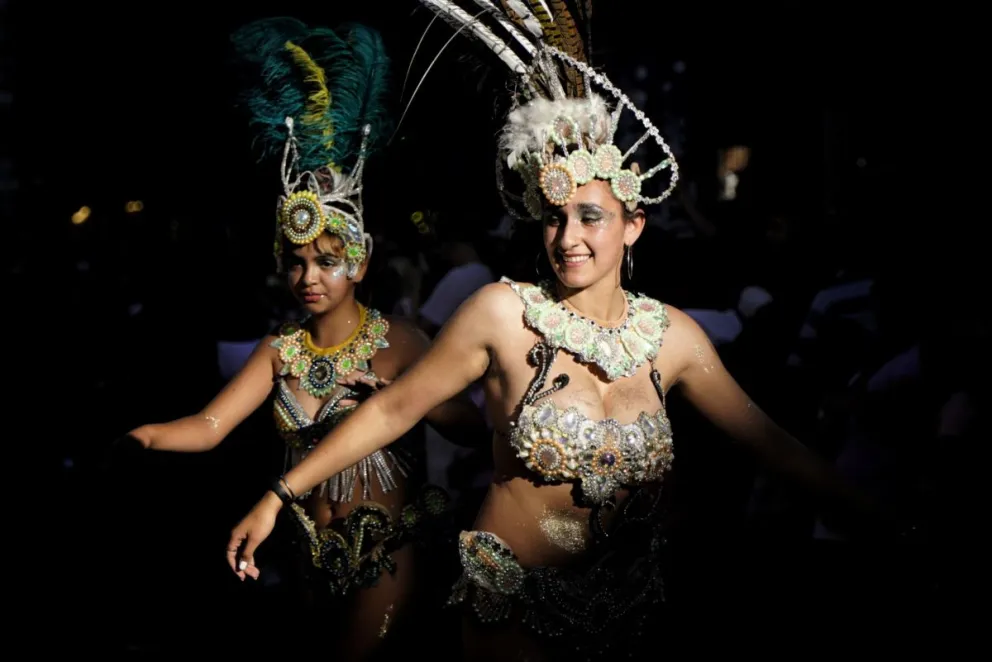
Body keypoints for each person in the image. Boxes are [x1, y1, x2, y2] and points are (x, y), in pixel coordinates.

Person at [225, 4, 894, 659]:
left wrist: (881, 516)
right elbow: (394, 409)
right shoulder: (501, 312)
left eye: (590, 217)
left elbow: (771, 444)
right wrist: (278, 496)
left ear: (633, 225)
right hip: (512, 609)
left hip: (630, 612)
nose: (567, 237)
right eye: (553, 217)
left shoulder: (675, 338)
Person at [125, 17, 481, 659]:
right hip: (304, 555)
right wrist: (141, 436)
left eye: (326, 261)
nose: (308, 277)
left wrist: (407, 397)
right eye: (295, 262)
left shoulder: (402, 342)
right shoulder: (278, 350)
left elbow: (470, 429)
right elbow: (208, 427)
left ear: (359, 264)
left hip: (390, 553)